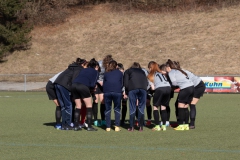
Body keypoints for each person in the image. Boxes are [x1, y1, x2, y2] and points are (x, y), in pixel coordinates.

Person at [174, 61, 206, 129]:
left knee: (191, 104)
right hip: (189, 87)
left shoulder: (180, 73)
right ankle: (181, 121)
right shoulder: (180, 72)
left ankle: (191, 123)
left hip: (198, 86)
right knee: (179, 103)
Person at [54, 58, 83, 130]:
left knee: (63, 105)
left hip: (57, 83)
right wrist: (74, 94)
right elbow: (74, 81)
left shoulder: (72, 67)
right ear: (82, 64)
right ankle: (67, 124)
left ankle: (64, 124)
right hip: (64, 85)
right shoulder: (78, 69)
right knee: (68, 105)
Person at [165, 59, 194, 131]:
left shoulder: (171, 72)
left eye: (166, 68)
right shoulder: (179, 70)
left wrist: (172, 87)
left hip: (185, 88)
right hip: (192, 87)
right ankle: (186, 125)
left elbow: (174, 83)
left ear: (168, 67)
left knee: (180, 106)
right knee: (185, 106)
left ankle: (181, 125)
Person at [72, 58, 100, 131]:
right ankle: (89, 126)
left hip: (74, 85)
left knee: (78, 106)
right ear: (96, 66)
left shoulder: (83, 69)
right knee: (89, 106)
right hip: (83, 86)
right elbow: (92, 84)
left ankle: (76, 126)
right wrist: (93, 89)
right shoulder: (95, 72)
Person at [124, 62, 148, 131]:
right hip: (143, 89)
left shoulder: (128, 71)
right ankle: (141, 127)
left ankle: (132, 127)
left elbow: (126, 83)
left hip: (132, 89)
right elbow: (146, 82)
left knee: (132, 107)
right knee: (141, 107)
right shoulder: (143, 71)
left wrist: (126, 92)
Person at [147, 61, 171, 131]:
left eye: (149, 68)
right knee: (163, 107)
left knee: (155, 107)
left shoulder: (150, 75)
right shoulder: (162, 72)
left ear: (151, 68)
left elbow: (153, 88)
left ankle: (157, 126)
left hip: (160, 89)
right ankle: (164, 126)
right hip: (168, 88)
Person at [92, 55, 113, 127]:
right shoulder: (99, 64)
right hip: (96, 84)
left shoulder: (110, 67)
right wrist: (98, 81)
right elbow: (94, 74)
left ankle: (103, 119)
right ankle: (95, 120)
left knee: (103, 101)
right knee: (95, 101)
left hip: (103, 85)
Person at [103, 60, 123, 131]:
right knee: (117, 108)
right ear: (116, 66)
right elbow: (121, 83)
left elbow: (104, 82)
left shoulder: (106, 73)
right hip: (117, 91)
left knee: (108, 109)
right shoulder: (120, 73)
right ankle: (117, 126)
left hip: (107, 91)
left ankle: (108, 127)